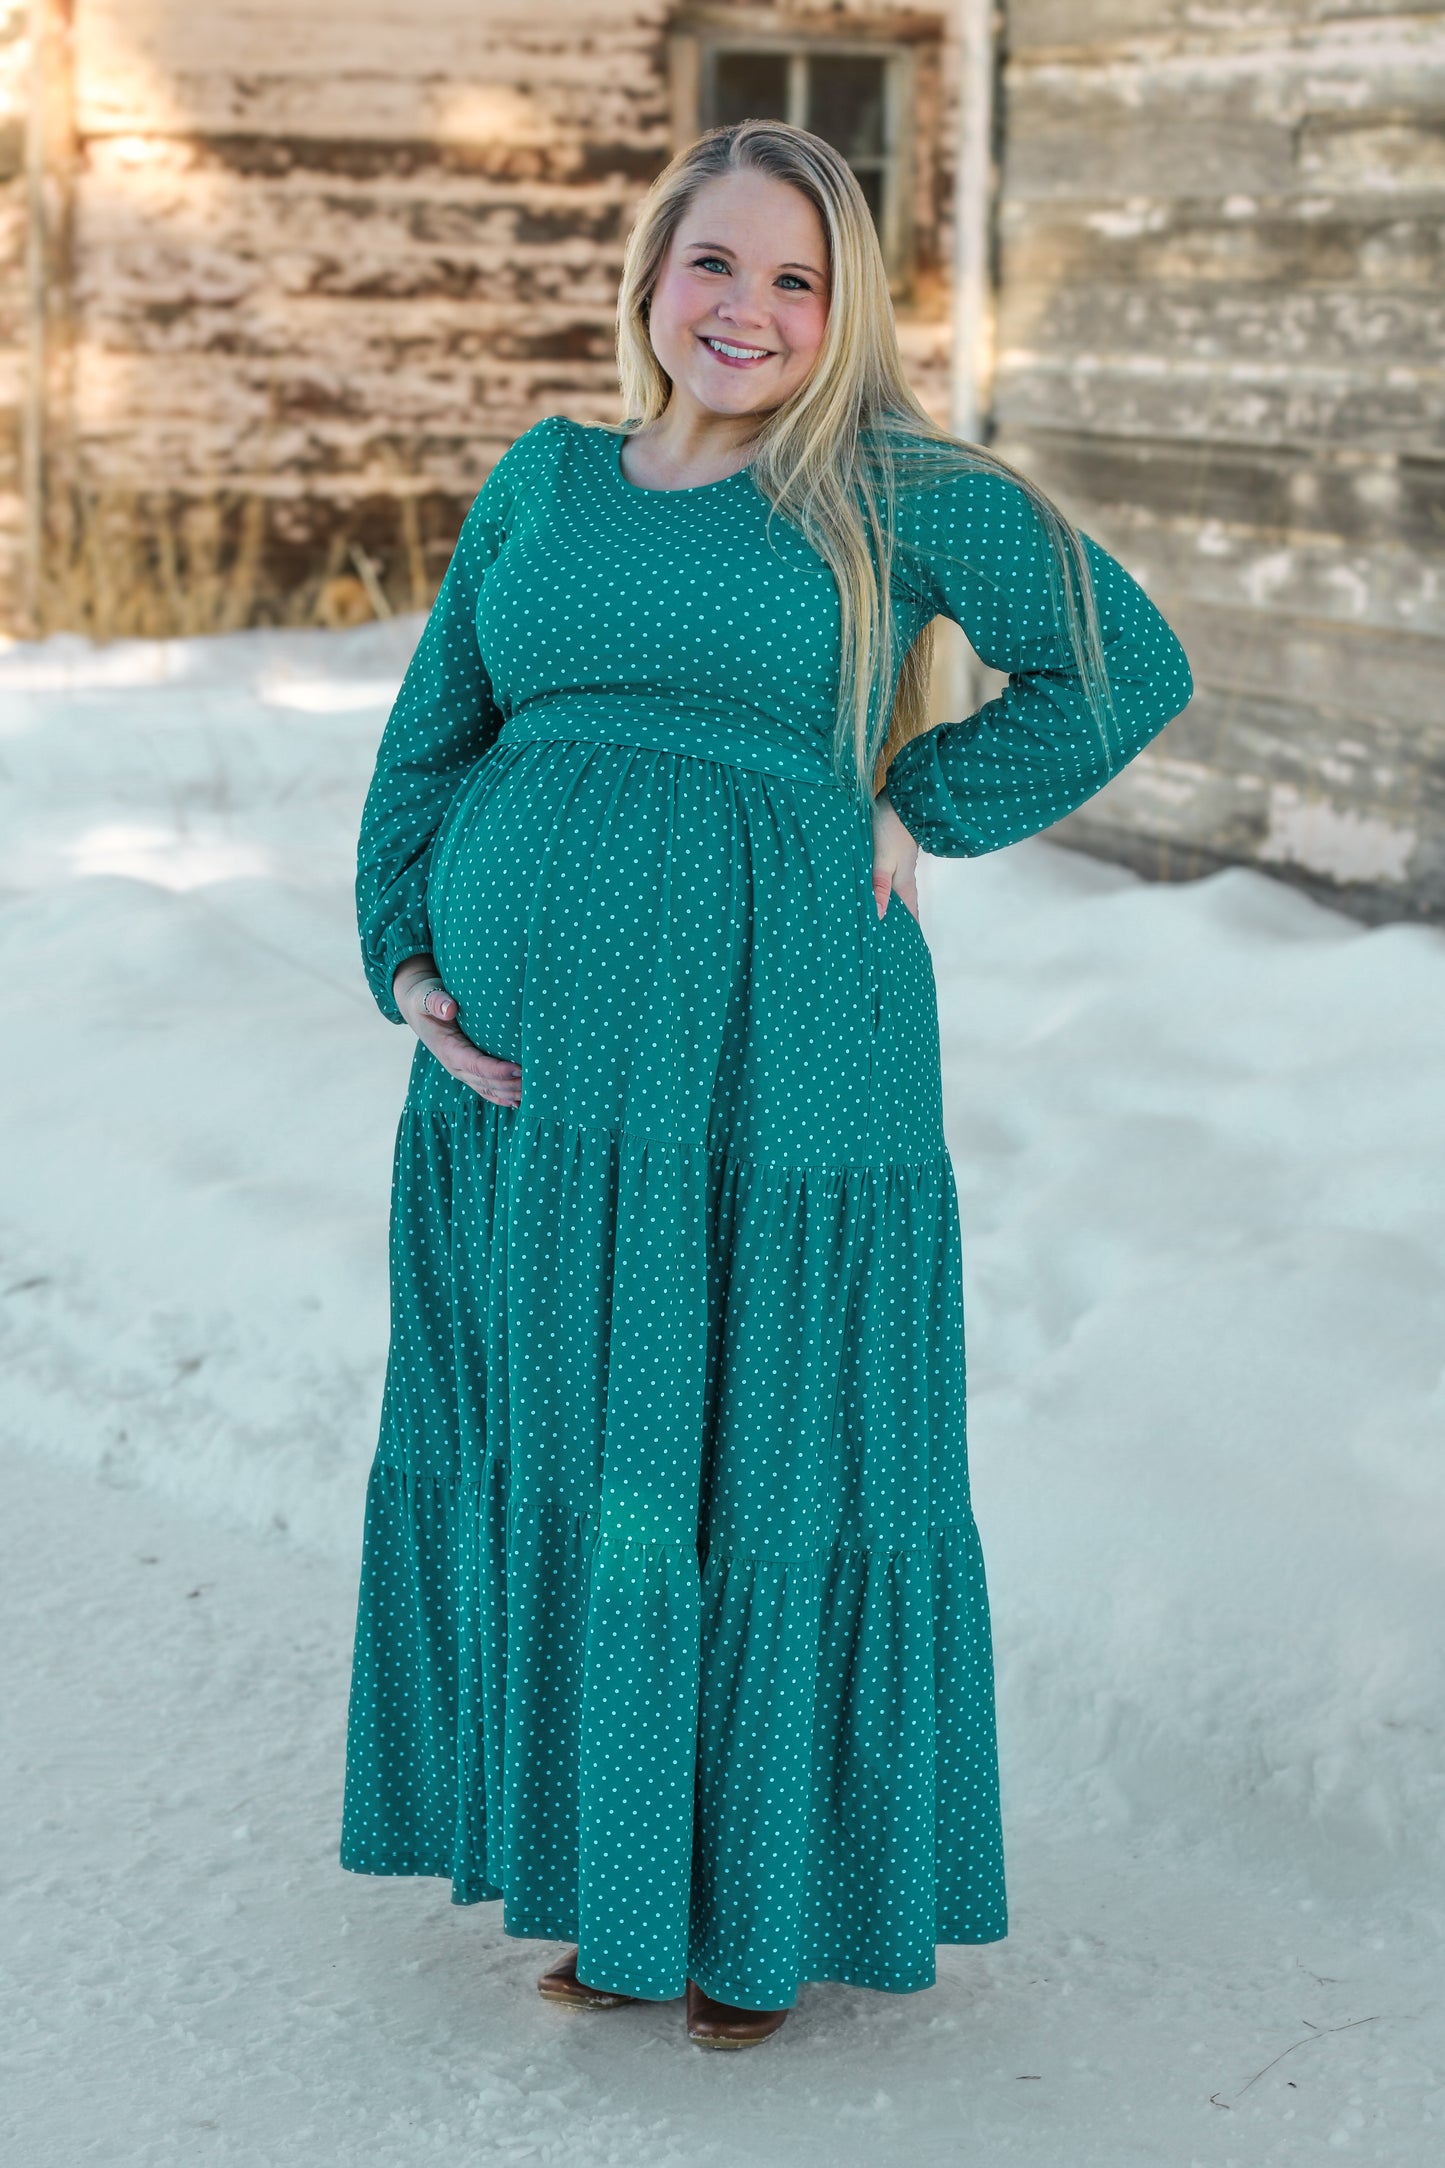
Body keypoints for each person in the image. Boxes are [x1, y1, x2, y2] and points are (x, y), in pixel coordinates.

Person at [340, 117, 1192, 2052]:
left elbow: (1121, 667)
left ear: (842, 317)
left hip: (777, 1054)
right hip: (530, 1088)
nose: (748, 307)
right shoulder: (542, 485)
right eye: (714, 263)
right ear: (650, 277)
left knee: (761, 1453)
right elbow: (429, 740)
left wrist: (924, 797)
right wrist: (405, 958)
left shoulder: (882, 488)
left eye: (796, 279)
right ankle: (604, 1886)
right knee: (585, 1458)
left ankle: (754, 1918)